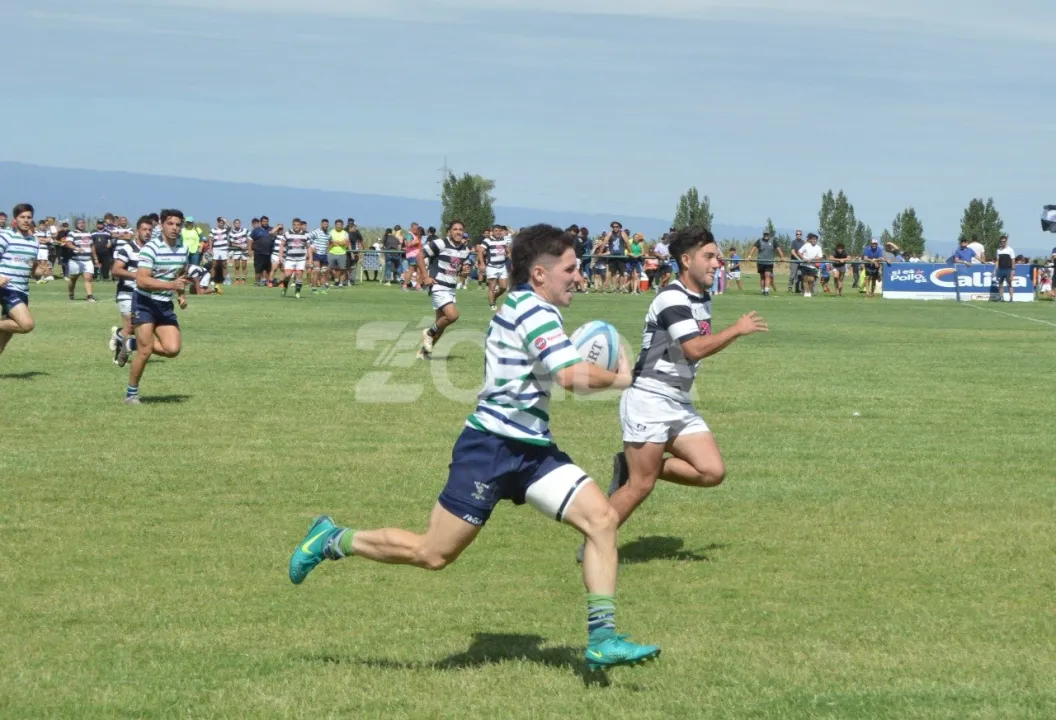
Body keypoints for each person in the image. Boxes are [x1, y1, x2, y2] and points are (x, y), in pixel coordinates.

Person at [289, 223, 661, 671]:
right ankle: (332, 538)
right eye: (570, 268)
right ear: (540, 274)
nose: (578, 276)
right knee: (433, 554)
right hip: (489, 448)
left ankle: (602, 638)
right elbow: (570, 376)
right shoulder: (532, 310)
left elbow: (566, 370)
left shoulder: (534, 307)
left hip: (532, 451)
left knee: (601, 521)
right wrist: (624, 378)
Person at [604, 227, 768, 538]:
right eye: (708, 257)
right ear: (686, 259)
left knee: (712, 472)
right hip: (649, 397)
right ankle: (594, 542)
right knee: (641, 486)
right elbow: (692, 348)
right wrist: (736, 329)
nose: (716, 263)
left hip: (677, 400)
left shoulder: (702, 297)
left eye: (716, 257)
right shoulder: (671, 297)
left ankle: (634, 465)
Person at [125, 209, 188, 405]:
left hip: (165, 305)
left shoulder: (182, 249)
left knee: (172, 349)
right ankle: (131, 394)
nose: (174, 228)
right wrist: (171, 286)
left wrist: (181, 295)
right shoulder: (150, 248)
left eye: (178, 225)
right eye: (170, 224)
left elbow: (179, 276)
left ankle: (129, 343)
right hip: (144, 303)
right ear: (161, 225)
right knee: (145, 352)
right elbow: (142, 280)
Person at [417, 220, 472, 360]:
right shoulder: (440, 243)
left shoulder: (465, 250)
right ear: (449, 232)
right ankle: (428, 333)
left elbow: (459, 270)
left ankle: (423, 353)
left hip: (451, 289)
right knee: (453, 315)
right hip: (438, 286)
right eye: (455, 229)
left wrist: (464, 272)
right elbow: (419, 256)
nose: (458, 232)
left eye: (461, 229)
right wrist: (425, 276)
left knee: (441, 325)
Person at [0, 203, 44, 356]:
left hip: (23, 291)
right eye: (22, 217)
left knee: (2, 339)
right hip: (7, 289)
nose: (26, 220)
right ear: (15, 219)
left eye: (29, 217)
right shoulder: (6, 236)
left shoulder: (34, 242)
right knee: (26, 325)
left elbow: (33, 269)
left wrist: (41, 271)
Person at [108, 216, 149, 367]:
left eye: (150, 230)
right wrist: (136, 276)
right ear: (137, 231)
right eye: (144, 229)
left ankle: (118, 334)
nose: (147, 232)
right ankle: (120, 351)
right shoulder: (127, 249)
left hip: (143, 294)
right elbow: (116, 269)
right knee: (130, 327)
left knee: (138, 329)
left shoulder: (152, 251)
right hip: (126, 293)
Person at [64, 218, 98, 302]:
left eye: (83, 222)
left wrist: (95, 258)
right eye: (79, 223)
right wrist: (76, 248)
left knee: (88, 278)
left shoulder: (88, 233)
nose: (82, 224)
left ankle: (89, 296)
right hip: (75, 260)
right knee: (73, 279)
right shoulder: (72, 233)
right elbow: (68, 244)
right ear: (76, 224)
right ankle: (71, 293)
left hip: (88, 260)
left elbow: (92, 246)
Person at [477, 222, 510, 310]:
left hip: (502, 266)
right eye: (496, 231)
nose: (498, 232)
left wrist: (511, 258)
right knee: (492, 286)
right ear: (492, 232)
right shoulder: (487, 240)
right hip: (492, 267)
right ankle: (492, 305)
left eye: (499, 231)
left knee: (503, 287)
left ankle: (494, 296)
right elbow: (480, 251)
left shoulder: (503, 240)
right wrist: (482, 264)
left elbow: (507, 251)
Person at [278, 218, 310, 298]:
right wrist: (280, 256)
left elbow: (309, 247)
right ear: (292, 225)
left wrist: (310, 259)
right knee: (287, 275)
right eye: (295, 225)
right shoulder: (287, 234)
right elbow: (282, 245)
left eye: (298, 225)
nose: (296, 226)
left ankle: (297, 292)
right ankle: (285, 289)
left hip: (301, 259)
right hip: (290, 258)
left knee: (299, 275)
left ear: (300, 225)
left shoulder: (306, 234)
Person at [746, 231, 784, 295]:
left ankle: (766, 291)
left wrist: (782, 257)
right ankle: (762, 290)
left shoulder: (773, 241)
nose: (766, 235)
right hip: (760, 262)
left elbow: (778, 249)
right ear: (763, 234)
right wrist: (749, 256)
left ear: (769, 235)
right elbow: (754, 248)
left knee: (767, 275)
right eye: (765, 234)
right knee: (762, 277)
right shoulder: (759, 241)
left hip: (769, 262)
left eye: (767, 234)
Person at [250, 216, 277, 286]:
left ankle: (268, 282)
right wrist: (250, 250)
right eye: (264, 221)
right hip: (259, 253)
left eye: (267, 221)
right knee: (258, 269)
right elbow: (250, 240)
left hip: (269, 253)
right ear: (261, 222)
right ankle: (257, 282)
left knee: (269, 269)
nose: (266, 223)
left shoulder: (271, 229)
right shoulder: (256, 230)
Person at [798, 233, 824, 297]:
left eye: (815, 239)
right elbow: (799, 252)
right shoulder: (806, 245)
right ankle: (806, 293)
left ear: (817, 240)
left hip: (812, 266)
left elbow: (820, 257)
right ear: (810, 240)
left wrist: (812, 259)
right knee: (805, 279)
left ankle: (809, 292)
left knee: (812, 280)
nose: (814, 240)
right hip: (804, 265)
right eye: (812, 239)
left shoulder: (818, 248)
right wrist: (804, 258)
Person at [308, 218, 330, 293]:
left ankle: (323, 289)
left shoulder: (328, 233)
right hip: (317, 254)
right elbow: (307, 238)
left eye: (327, 224)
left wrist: (328, 247)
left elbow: (331, 241)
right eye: (324, 224)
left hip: (324, 255)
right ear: (321, 224)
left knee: (323, 272)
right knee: (316, 272)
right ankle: (314, 288)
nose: (326, 225)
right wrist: (311, 247)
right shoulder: (316, 232)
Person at [327, 219, 350, 287]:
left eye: (340, 225)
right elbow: (329, 243)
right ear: (335, 225)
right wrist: (340, 242)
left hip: (342, 253)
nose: (339, 226)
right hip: (331, 252)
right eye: (338, 225)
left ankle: (341, 283)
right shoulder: (330, 232)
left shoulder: (345, 233)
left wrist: (336, 242)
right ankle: (327, 282)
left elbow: (345, 243)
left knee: (342, 269)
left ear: (342, 226)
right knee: (328, 269)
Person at [993, 235, 1016, 302]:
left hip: (1008, 269)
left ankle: (1011, 299)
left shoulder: (1010, 250)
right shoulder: (998, 250)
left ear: (1006, 242)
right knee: (1000, 284)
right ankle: (1001, 298)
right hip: (1000, 269)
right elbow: (997, 261)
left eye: (1004, 241)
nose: (1002, 243)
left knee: (1010, 283)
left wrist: (1013, 270)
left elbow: (1013, 260)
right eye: (1001, 242)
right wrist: (995, 270)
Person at [209, 217, 230, 286]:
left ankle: (224, 280)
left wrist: (225, 220)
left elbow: (230, 226)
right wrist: (210, 249)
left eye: (223, 223)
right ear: (217, 223)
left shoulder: (225, 230)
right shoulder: (213, 230)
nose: (222, 224)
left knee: (224, 265)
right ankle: (212, 280)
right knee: (214, 265)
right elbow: (210, 239)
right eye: (220, 223)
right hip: (216, 249)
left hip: (224, 249)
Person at [228, 219, 250, 285]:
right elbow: (231, 243)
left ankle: (243, 279)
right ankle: (237, 279)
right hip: (236, 250)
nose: (237, 224)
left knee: (244, 265)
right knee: (237, 266)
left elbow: (250, 238)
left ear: (240, 224)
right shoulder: (231, 233)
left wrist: (247, 246)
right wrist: (239, 246)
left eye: (238, 223)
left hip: (245, 250)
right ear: (234, 224)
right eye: (236, 223)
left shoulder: (245, 230)